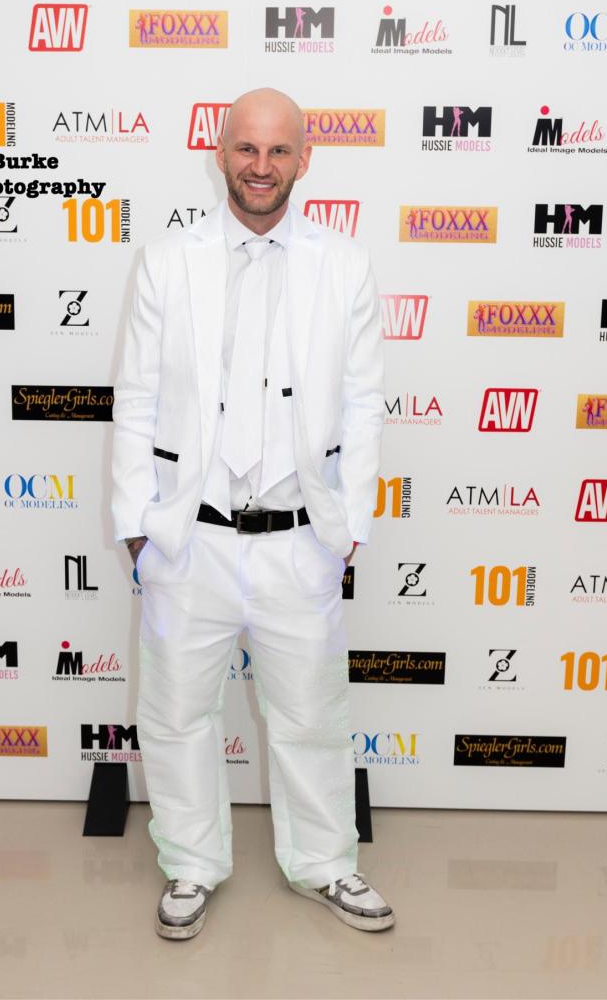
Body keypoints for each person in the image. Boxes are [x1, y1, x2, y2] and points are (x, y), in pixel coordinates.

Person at [111, 87, 392, 940]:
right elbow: (136, 396)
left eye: (277, 151)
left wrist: (348, 528)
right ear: (220, 153)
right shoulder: (169, 260)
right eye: (245, 149)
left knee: (311, 716)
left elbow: (363, 405)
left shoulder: (343, 265)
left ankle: (325, 863)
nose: (260, 167)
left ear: (304, 158)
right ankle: (191, 864)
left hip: (297, 540)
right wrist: (139, 527)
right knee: (176, 715)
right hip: (187, 539)